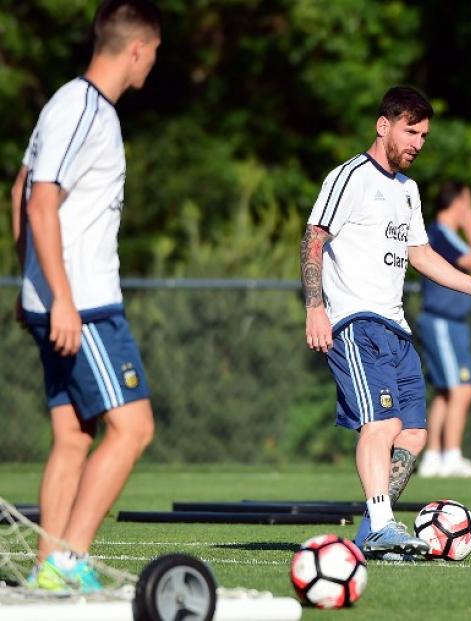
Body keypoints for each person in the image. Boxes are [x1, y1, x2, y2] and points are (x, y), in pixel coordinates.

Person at [301, 86, 471, 560]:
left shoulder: (408, 191)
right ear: (384, 126)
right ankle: (383, 523)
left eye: (424, 134)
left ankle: (369, 533)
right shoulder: (350, 177)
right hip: (356, 323)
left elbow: (421, 255)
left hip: (396, 329)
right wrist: (314, 307)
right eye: (411, 131)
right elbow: (314, 237)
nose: (419, 142)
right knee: (381, 423)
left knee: (415, 434)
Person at [8, 0, 161, 591]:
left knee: (74, 436)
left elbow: (19, 187)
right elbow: (40, 200)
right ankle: (68, 562)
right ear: (138, 49)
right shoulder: (84, 108)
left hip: (61, 301)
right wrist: (61, 299)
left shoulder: (69, 105)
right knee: (134, 428)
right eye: (155, 54)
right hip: (85, 306)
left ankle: (47, 572)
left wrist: (32, 286)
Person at [415, 182, 471, 478]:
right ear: (457, 204)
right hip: (443, 321)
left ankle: (434, 456)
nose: (470, 211)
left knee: (447, 392)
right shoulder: (442, 235)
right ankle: (451, 456)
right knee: (462, 388)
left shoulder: (441, 236)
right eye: (467, 204)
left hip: (451, 323)